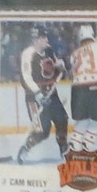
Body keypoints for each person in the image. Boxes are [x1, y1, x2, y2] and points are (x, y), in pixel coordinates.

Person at [16, 26, 69, 163]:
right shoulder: (28, 54)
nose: (46, 39)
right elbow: (26, 77)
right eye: (43, 37)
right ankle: (26, 148)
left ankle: (63, 148)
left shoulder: (49, 50)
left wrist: (61, 65)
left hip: (51, 94)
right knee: (43, 130)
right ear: (36, 39)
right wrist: (38, 94)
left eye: (46, 37)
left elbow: (56, 66)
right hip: (34, 98)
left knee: (62, 119)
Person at [67, 24, 97, 153]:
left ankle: (75, 142)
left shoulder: (74, 54)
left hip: (77, 89)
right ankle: (88, 143)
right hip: (93, 85)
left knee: (83, 119)